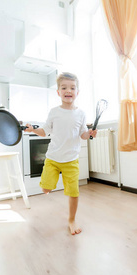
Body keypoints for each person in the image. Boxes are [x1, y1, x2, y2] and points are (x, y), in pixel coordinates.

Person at [25, 72, 97, 235]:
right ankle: (47, 185)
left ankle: (71, 219)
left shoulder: (81, 113)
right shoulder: (54, 112)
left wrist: (90, 134)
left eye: (72, 87)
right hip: (52, 159)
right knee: (45, 189)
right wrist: (33, 130)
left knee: (74, 193)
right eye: (64, 87)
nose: (68, 90)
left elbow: (83, 135)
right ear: (58, 92)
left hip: (71, 161)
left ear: (77, 92)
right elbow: (44, 131)